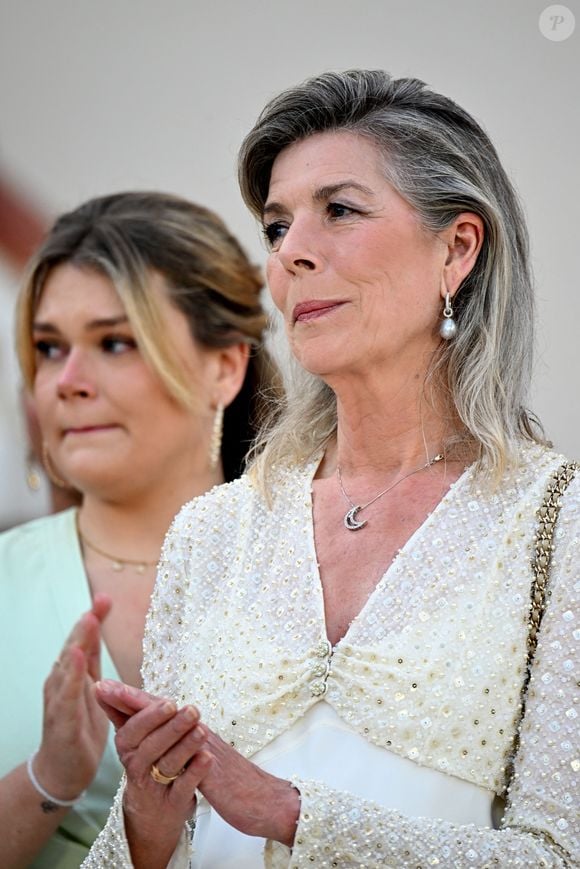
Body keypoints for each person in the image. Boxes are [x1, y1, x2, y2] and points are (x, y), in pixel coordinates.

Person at [85, 70, 578, 868]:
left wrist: (289, 812)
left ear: (457, 248)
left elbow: (561, 852)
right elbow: (152, 848)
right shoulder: (212, 531)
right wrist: (144, 820)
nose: (292, 256)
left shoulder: (556, 524)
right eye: (277, 228)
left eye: (339, 211)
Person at [0, 190, 278, 868]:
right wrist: (51, 777)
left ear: (225, 365)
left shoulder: (327, 564)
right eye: (48, 347)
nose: (67, 380)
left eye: (115, 342)